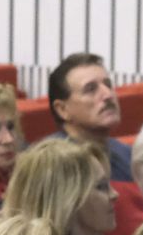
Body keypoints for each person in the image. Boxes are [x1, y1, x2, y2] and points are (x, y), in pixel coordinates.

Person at [45, 53, 136, 182]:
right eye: (91, 89)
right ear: (62, 110)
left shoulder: (127, 154)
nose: (108, 95)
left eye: (108, 85)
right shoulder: (49, 166)